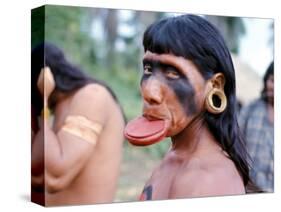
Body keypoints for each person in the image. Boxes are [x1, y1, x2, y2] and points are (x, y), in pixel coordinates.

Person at [124, 14, 251, 200]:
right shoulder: (176, 156)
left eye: (171, 72)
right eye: (148, 69)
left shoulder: (209, 180)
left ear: (214, 85)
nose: (149, 92)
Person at [31, 42, 125, 206]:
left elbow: (54, 177)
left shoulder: (91, 96)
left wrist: (44, 98)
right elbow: (37, 176)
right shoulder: (64, 103)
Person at [239, 62, 274, 192]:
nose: (274, 86)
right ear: (266, 80)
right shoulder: (251, 108)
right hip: (248, 188)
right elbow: (235, 141)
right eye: (272, 80)